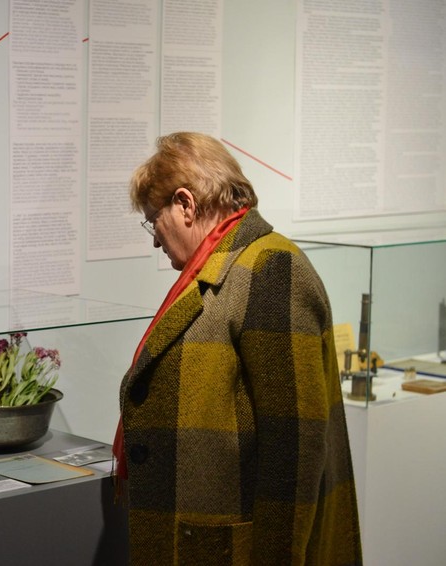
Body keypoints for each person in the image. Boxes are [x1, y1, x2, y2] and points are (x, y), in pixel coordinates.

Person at [115, 132, 362, 565]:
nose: (155, 239)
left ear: (186, 204)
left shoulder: (270, 268)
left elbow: (294, 446)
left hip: (234, 551)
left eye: (154, 220)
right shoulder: (219, 270)